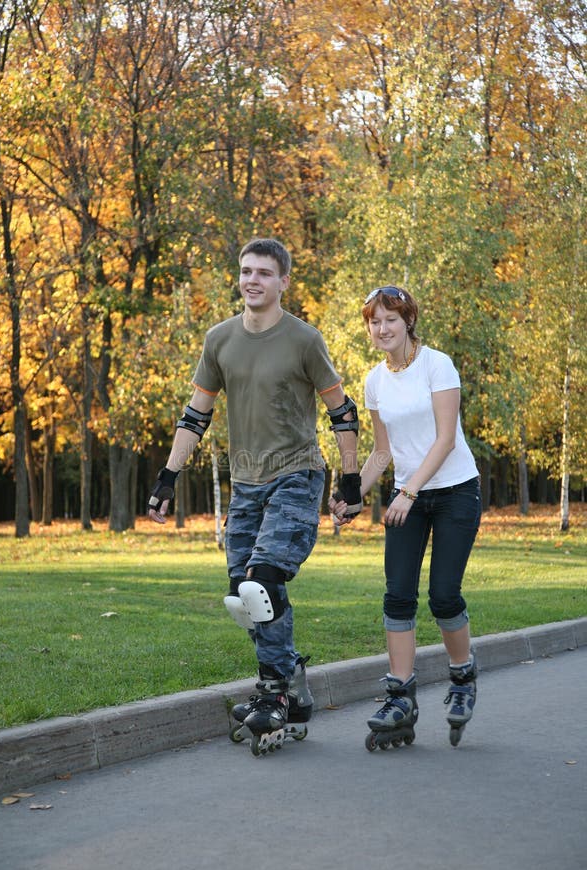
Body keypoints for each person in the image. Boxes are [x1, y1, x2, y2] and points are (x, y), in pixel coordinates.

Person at [148, 238, 361, 750]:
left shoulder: (304, 340)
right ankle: (288, 686)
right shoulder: (219, 339)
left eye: (264, 273)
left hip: (297, 474)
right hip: (245, 484)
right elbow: (194, 414)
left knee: (262, 580)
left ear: (284, 281)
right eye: (246, 271)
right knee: (242, 598)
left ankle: (275, 693)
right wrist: (167, 477)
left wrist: (350, 480)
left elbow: (342, 411)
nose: (252, 280)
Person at [331, 285, 481, 748]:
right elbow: (382, 452)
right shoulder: (375, 380)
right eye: (374, 321)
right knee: (397, 596)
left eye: (390, 320)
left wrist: (408, 491)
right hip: (408, 496)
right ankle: (400, 696)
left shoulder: (438, 365)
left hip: (454, 492)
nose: (381, 328)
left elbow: (445, 440)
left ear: (408, 321)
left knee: (442, 595)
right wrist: (353, 494)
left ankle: (462, 678)